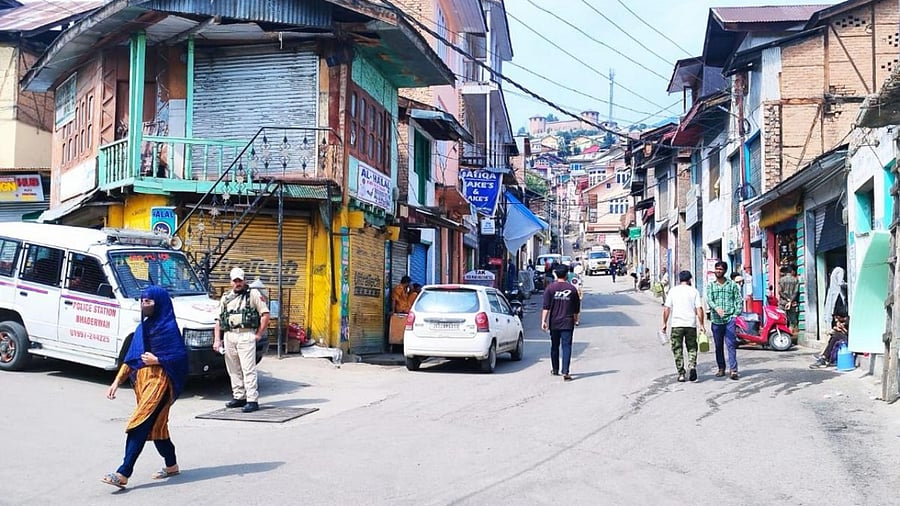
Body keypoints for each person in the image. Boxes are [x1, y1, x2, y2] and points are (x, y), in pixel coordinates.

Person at [102, 285, 189, 490]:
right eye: (142, 301)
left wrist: (158, 359)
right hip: (143, 382)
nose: (144, 305)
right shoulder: (142, 328)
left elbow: (180, 357)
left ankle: (123, 473)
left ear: (159, 303)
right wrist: (117, 381)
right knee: (158, 427)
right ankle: (172, 466)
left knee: (139, 422)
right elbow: (131, 358)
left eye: (148, 301)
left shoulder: (168, 328)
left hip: (161, 382)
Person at [214, 267, 271, 413]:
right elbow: (218, 321)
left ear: (244, 280)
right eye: (235, 281)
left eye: (240, 280)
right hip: (230, 335)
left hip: (246, 334)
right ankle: (239, 396)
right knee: (233, 368)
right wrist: (217, 340)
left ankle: (252, 399)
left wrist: (258, 334)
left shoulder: (253, 294)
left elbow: (265, 314)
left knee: (248, 368)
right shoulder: (226, 297)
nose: (238, 283)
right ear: (231, 282)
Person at [662, 270, 705, 382]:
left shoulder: (673, 291)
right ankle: (692, 366)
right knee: (692, 347)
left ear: (679, 279)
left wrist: (664, 323)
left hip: (677, 325)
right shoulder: (694, 291)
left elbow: (667, 308)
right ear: (690, 279)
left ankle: (681, 373)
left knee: (677, 349)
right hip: (690, 325)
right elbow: (699, 309)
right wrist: (702, 324)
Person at [541, 264, 581, 381]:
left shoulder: (550, 288)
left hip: (554, 322)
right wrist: (576, 319)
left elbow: (546, 307)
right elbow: (576, 308)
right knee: (566, 346)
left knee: (554, 346)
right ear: (566, 274)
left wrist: (543, 321)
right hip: (568, 322)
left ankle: (555, 369)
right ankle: (565, 371)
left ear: (555, 274)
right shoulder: (572, 289)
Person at [706, 261, 743, 380]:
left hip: (729, 320)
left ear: (725, 271)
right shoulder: (711, 285)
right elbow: (709, 300)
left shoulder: (732, 285)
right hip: (716, 321)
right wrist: (716, 308)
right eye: (716, 269)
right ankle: (721, 368)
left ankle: (733, 370)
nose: (718, 271)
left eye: (720, 269)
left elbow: (738, 299)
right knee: (718, 346)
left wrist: (735, 314)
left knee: (731, 344)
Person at [778, 265, 800, 332]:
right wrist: (791, 300)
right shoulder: (795, 280)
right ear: (791, 271)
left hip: (783, 303)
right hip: (792, 303)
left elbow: (780, 292)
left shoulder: (781, 280)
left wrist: (787, 299)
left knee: (782, 319)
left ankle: (783, 334)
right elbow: (796, 292)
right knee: (792, 321)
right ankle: (790, 333)